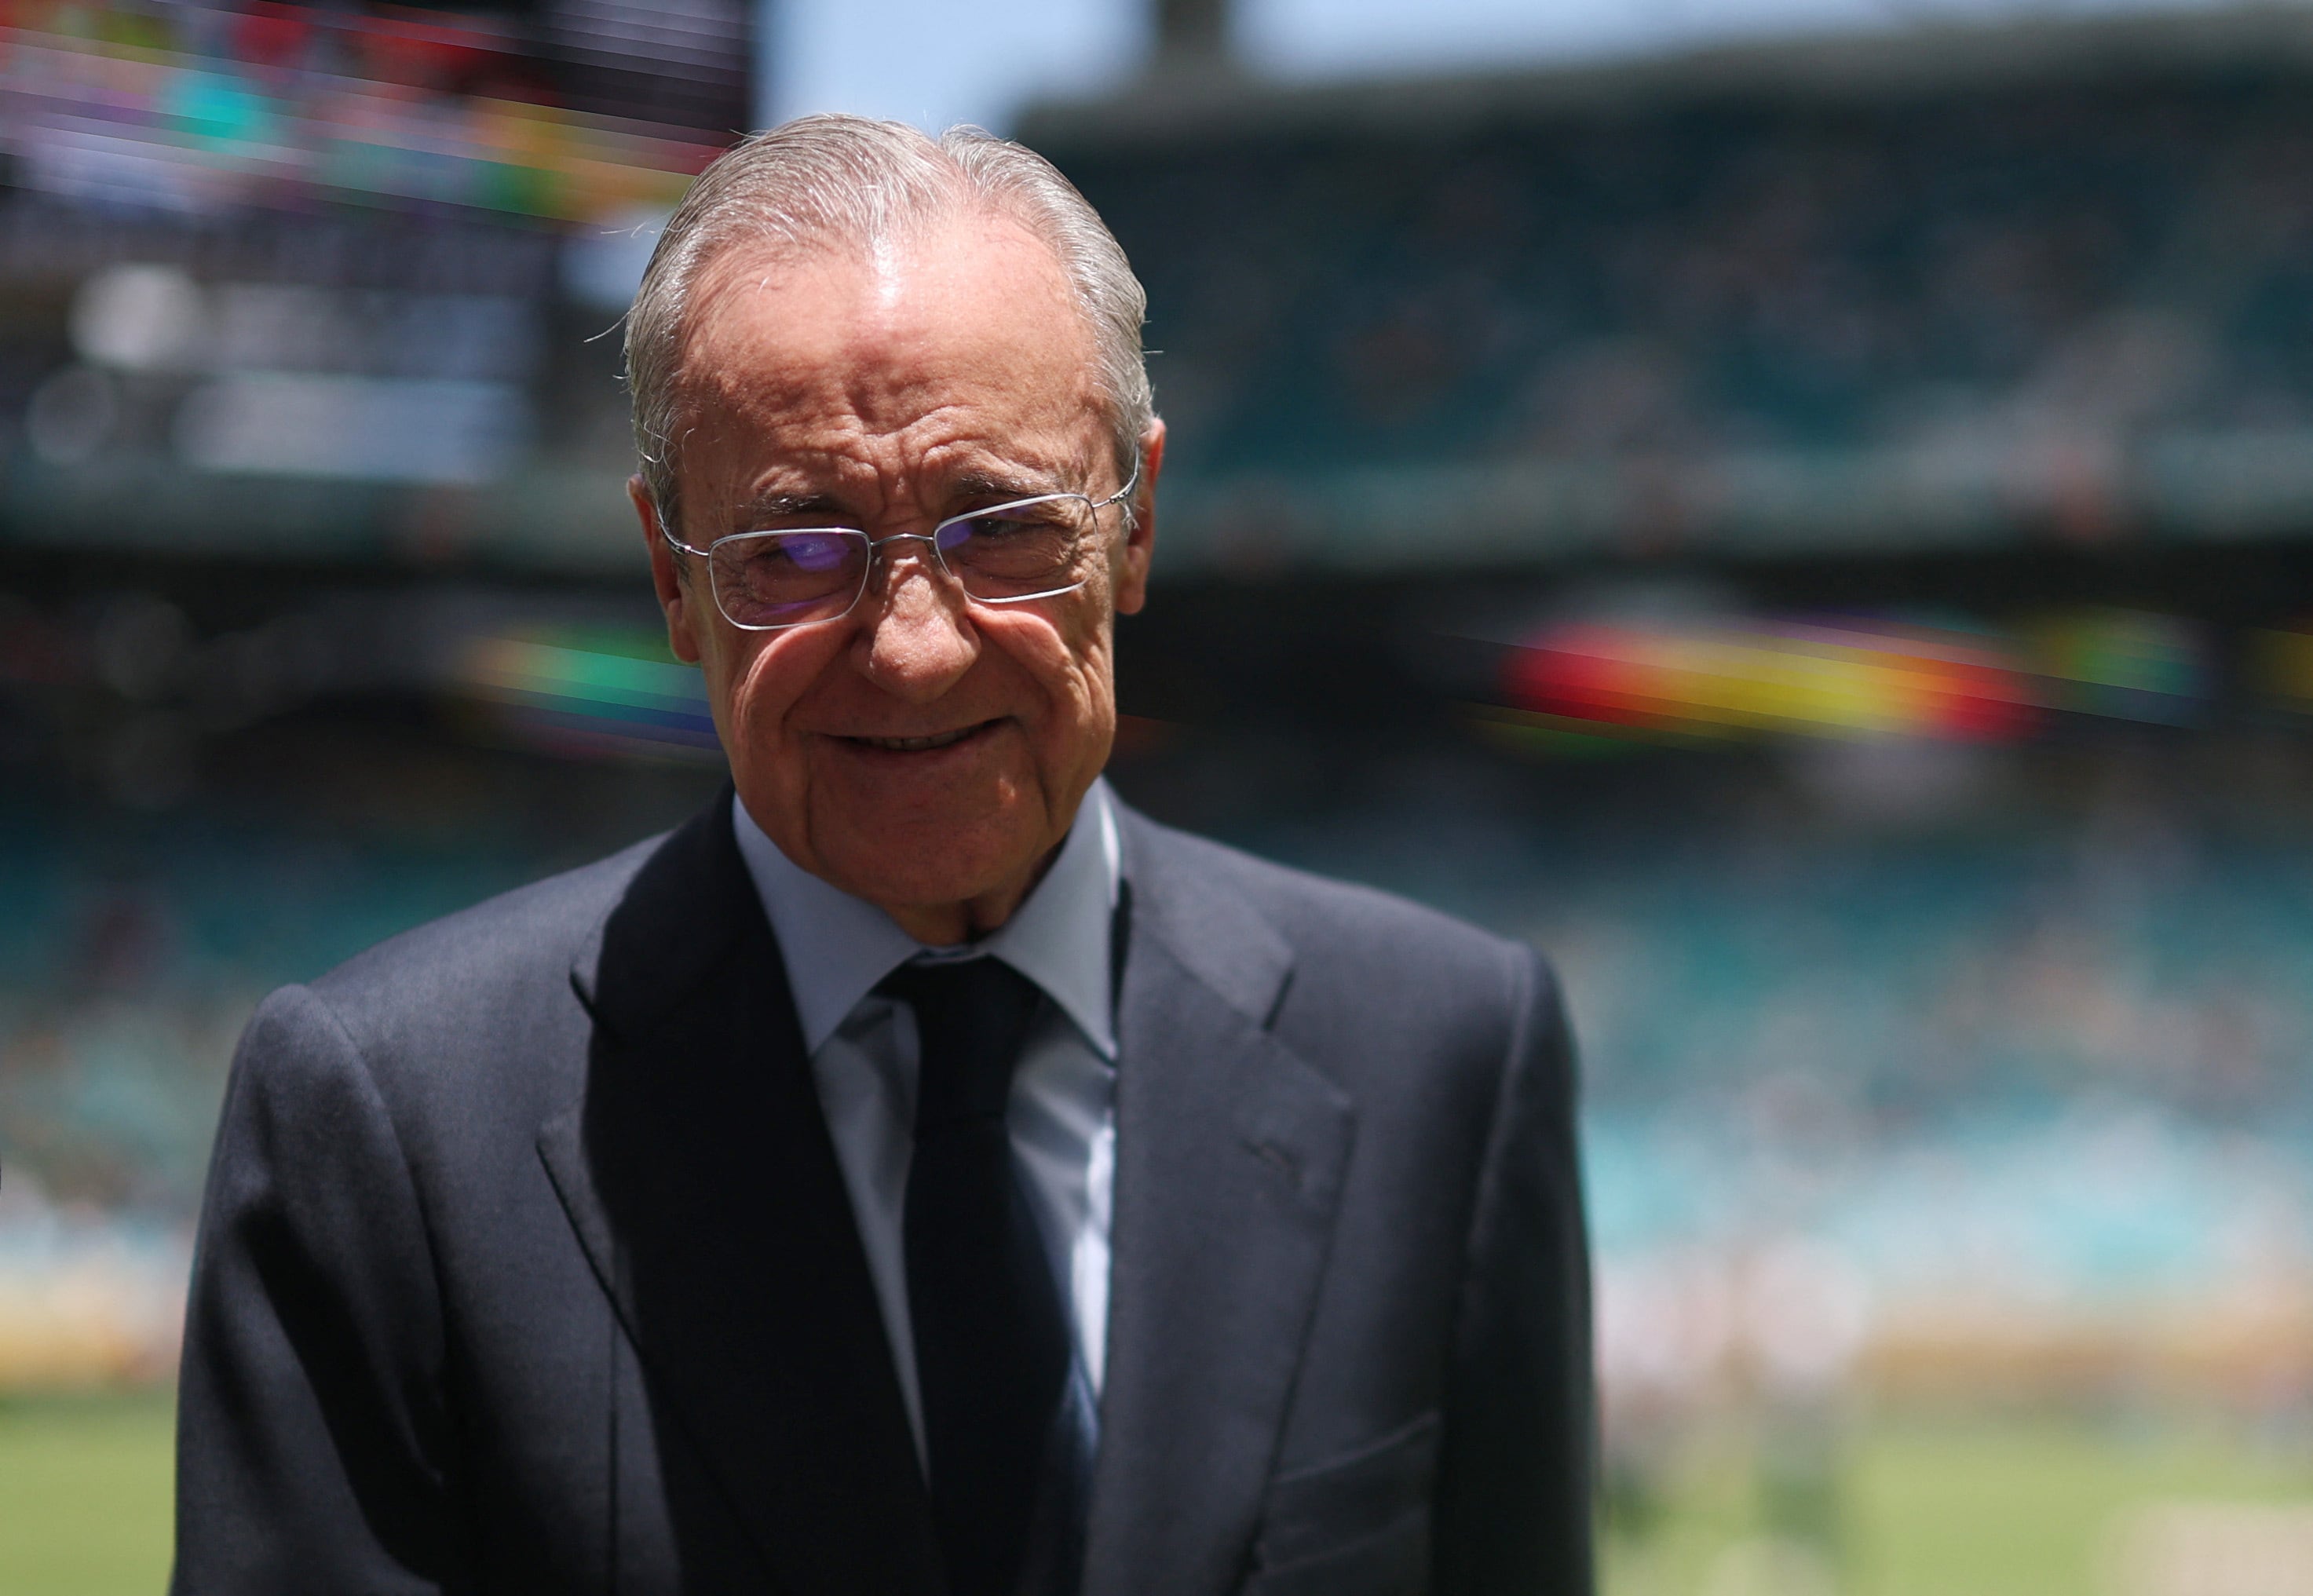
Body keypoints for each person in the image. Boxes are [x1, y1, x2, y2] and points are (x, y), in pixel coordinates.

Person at [171, 115, 1593, 1596]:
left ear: (1136, 521)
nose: (912, 649)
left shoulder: (1444, 1056)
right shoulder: (386, 1124)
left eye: (1001, 527)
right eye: (795, 549)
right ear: (672, 579)